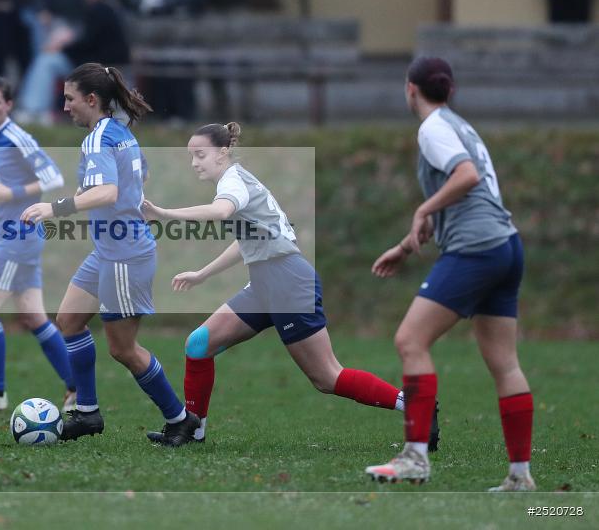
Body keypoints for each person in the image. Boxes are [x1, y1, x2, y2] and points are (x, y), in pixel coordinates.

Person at [140, 123, 433, 447]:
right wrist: (203, 274)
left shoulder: (233, 181)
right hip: (267, 283)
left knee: (326, 376)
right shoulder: (236, 181)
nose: (194, 162)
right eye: (190, 156)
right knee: (198, 345)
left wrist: (164, 212)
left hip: (286, 282)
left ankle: (417, 406)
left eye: (200, 154)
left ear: (222, 153)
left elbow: (221, 211)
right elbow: (247, 241)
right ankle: (192, 431)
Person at [363, 57, 533, 491]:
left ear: (410, 90)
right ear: (450, 90)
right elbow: (469, 191)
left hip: (476, 250)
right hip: (506, 245)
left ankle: (415, 458)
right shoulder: (462, 126)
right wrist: (406, 245)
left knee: (410, 340)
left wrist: (423, 207)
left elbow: (467, 177)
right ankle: (520, 477)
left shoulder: (433, 127)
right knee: (505, 363)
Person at [21, 63, 199, 446]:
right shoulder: (120, 131)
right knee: (69, 319)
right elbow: (140, 177)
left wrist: (54, 208)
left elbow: (107, 193)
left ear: (90, 99)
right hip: (110, 249)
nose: (65, 105)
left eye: (69, 99)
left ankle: (181, 419)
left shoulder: (98, 138)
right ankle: (87, 413)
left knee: (122, 348)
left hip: (124, 254)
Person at [0, 75, 76, 413]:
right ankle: (77, 389)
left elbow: (53, 177)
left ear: (9, 104)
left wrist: (13, 194)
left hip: (19, 236)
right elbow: (7, 180)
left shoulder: (17, 137)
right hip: (12, 236)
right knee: (34, 318)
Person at [16, 0, 130, 125]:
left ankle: (34, 109)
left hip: (100, 66)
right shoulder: (102, 7)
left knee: (48, 61)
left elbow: (89, 44)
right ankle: (35, 108)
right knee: (49, 58)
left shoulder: (103, 9)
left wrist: (61, 47)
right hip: (93, 62)